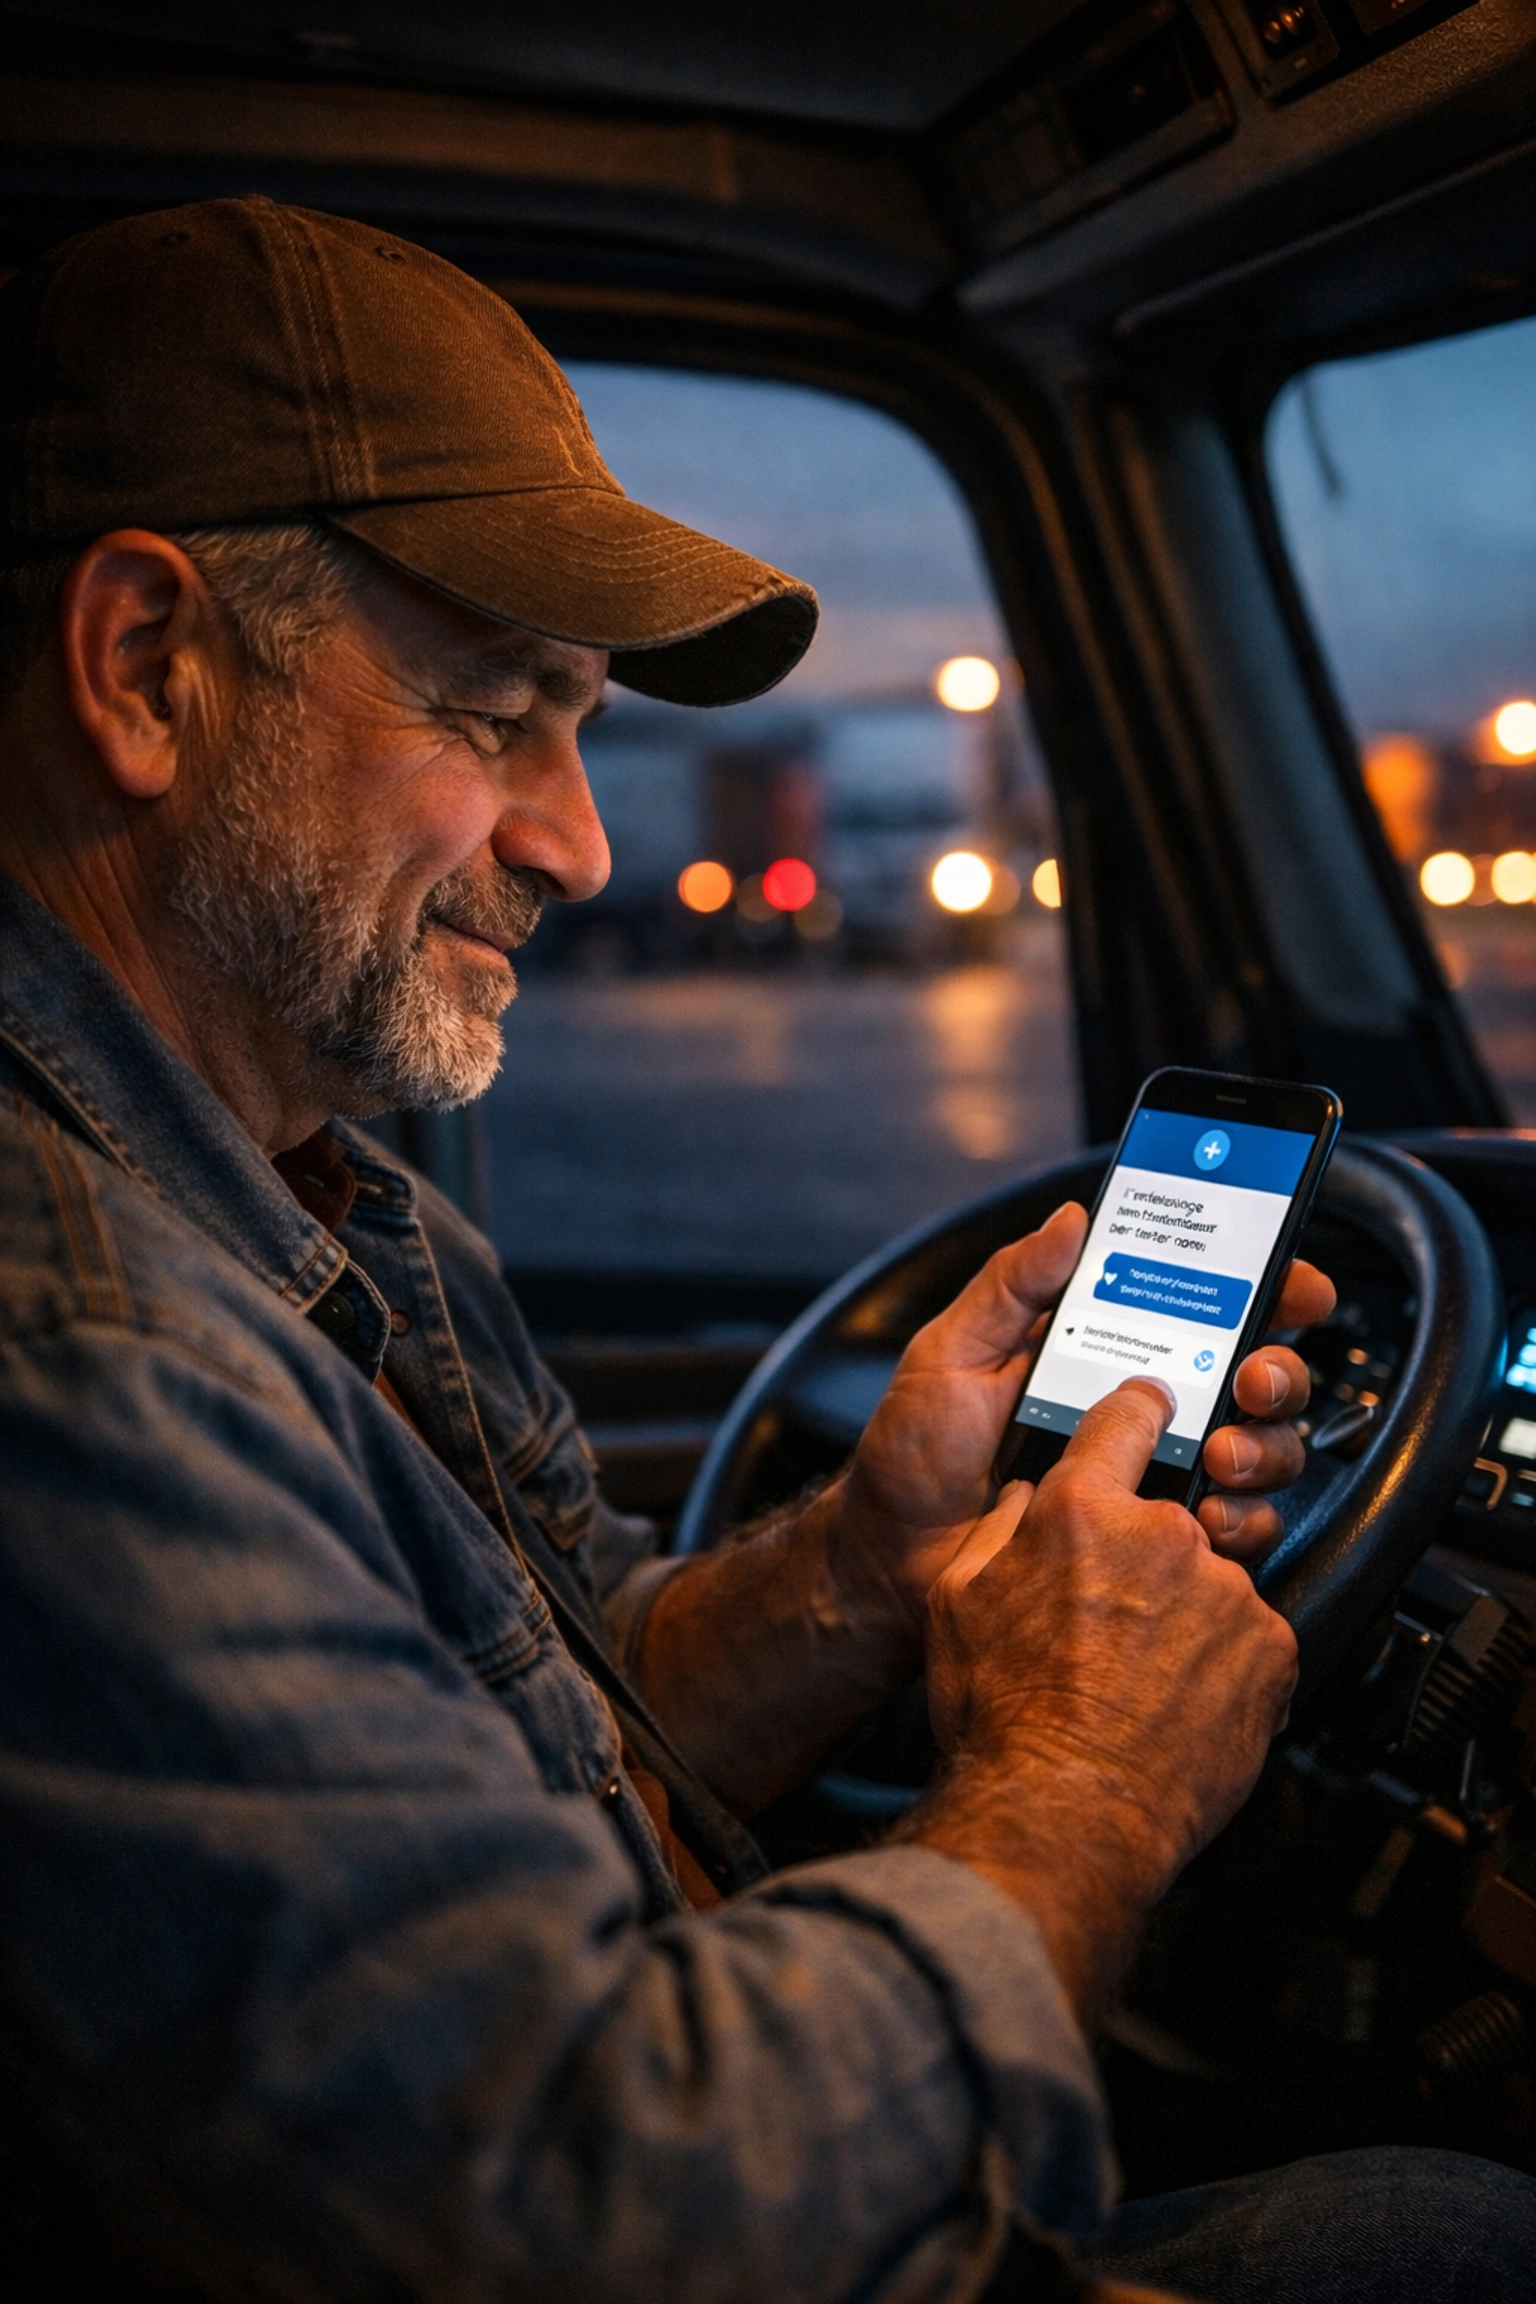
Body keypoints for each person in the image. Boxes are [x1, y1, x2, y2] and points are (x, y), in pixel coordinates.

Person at [0, 196, 1528, 2304]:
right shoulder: (79, 1358)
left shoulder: (329, 1205)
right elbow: (613, 2226)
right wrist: (1079, 1769)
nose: (583, 842)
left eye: (585, 728)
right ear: (148, 669)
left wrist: (866, 1566)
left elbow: (563, 1733)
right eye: (487, 713)